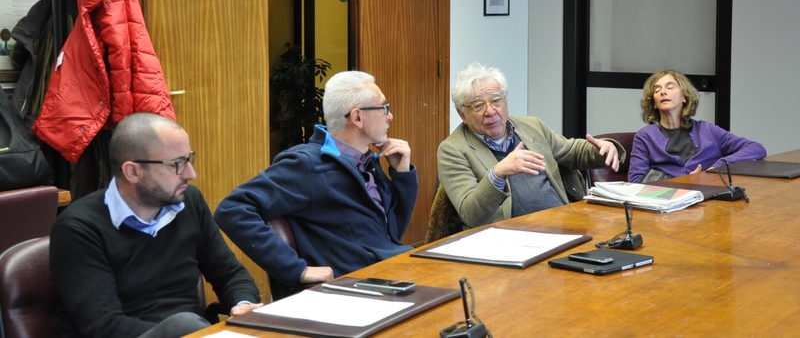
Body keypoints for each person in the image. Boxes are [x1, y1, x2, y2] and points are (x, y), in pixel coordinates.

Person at [50, 113, 262, 338]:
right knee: (184, 323)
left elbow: (230, 273)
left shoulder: (189, 202)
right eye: (177, 164)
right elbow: (104, 327)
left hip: (191, 331)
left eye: (188, 160)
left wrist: (243, 305)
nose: (191, 174)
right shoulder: (78, 228)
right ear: (133, 172)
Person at [214, 71, 418, 293]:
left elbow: (391, 236)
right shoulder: (308, 164)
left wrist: (402, 176)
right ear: (357, 117)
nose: (390, 117)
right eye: (384, 108)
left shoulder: (368, 161)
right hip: (354, 289)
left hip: (390, 275)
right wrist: (296, 270)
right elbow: (232, 209)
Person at [437, 63, 623, 229]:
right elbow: (471, 214)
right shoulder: (452, 150)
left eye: (496, 101)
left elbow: (571, 151)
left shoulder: (532, 126)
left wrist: (602, 149)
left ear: (505, 101)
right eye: (478, 105)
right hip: (507, 238)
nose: (490, 111)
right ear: (462, 114)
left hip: (564, 224)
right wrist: (498, 174)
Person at [628, 70, 767, 183]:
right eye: (657, 90)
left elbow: (756, 149)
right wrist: (682, 182)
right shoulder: (645, 137)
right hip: (667, 206)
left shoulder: (707, 130)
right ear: (654, 103)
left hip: (709, 201)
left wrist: (717, 167)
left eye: (670, 87)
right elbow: (635, 182)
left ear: (684, 97)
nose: (663, 92)